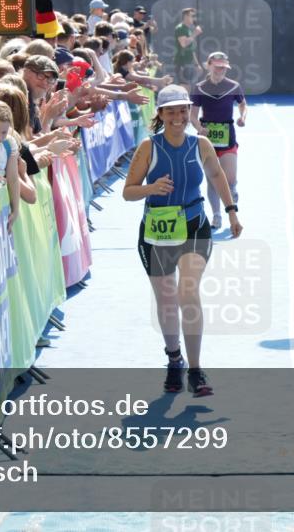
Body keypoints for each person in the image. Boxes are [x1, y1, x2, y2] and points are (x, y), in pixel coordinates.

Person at [123, 85, 243, 397]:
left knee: (187, 292)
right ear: (160, 114)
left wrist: (231, 212)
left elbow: (217, 177)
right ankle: (173, 358)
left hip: (194, 225)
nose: (177, 116)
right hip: (157, 231)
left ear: (189, 111)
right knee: (166, 300)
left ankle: (195, 368)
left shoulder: (200, 144)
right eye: (171, 110)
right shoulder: (148, 148)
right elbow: (128, 191)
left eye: (182, 110)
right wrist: (152, 189)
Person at [191, 52, 247, 230]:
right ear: (209, 66)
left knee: (229, 179)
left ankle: (232, 188)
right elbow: (193, 115)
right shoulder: (199, 88)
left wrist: (242, 117)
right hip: (207, 140)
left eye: (223, 67)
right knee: (212, 180)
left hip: (227, 137)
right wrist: (200, 129)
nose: (220, 70)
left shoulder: (233, 86)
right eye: (217, 67)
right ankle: (216, 215)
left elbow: (243, 104)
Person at [174, 7, 203, 86]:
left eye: (194, 16)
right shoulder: (180, 28)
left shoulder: (188, 30)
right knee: (185, 87)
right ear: (186, 16)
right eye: (192, 16)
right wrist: (195, 34)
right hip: (182, 63)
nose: (194, 18)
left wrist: (197, 65)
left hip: (189, 64)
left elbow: (191, 50)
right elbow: (183, 44)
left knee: (190, 87)